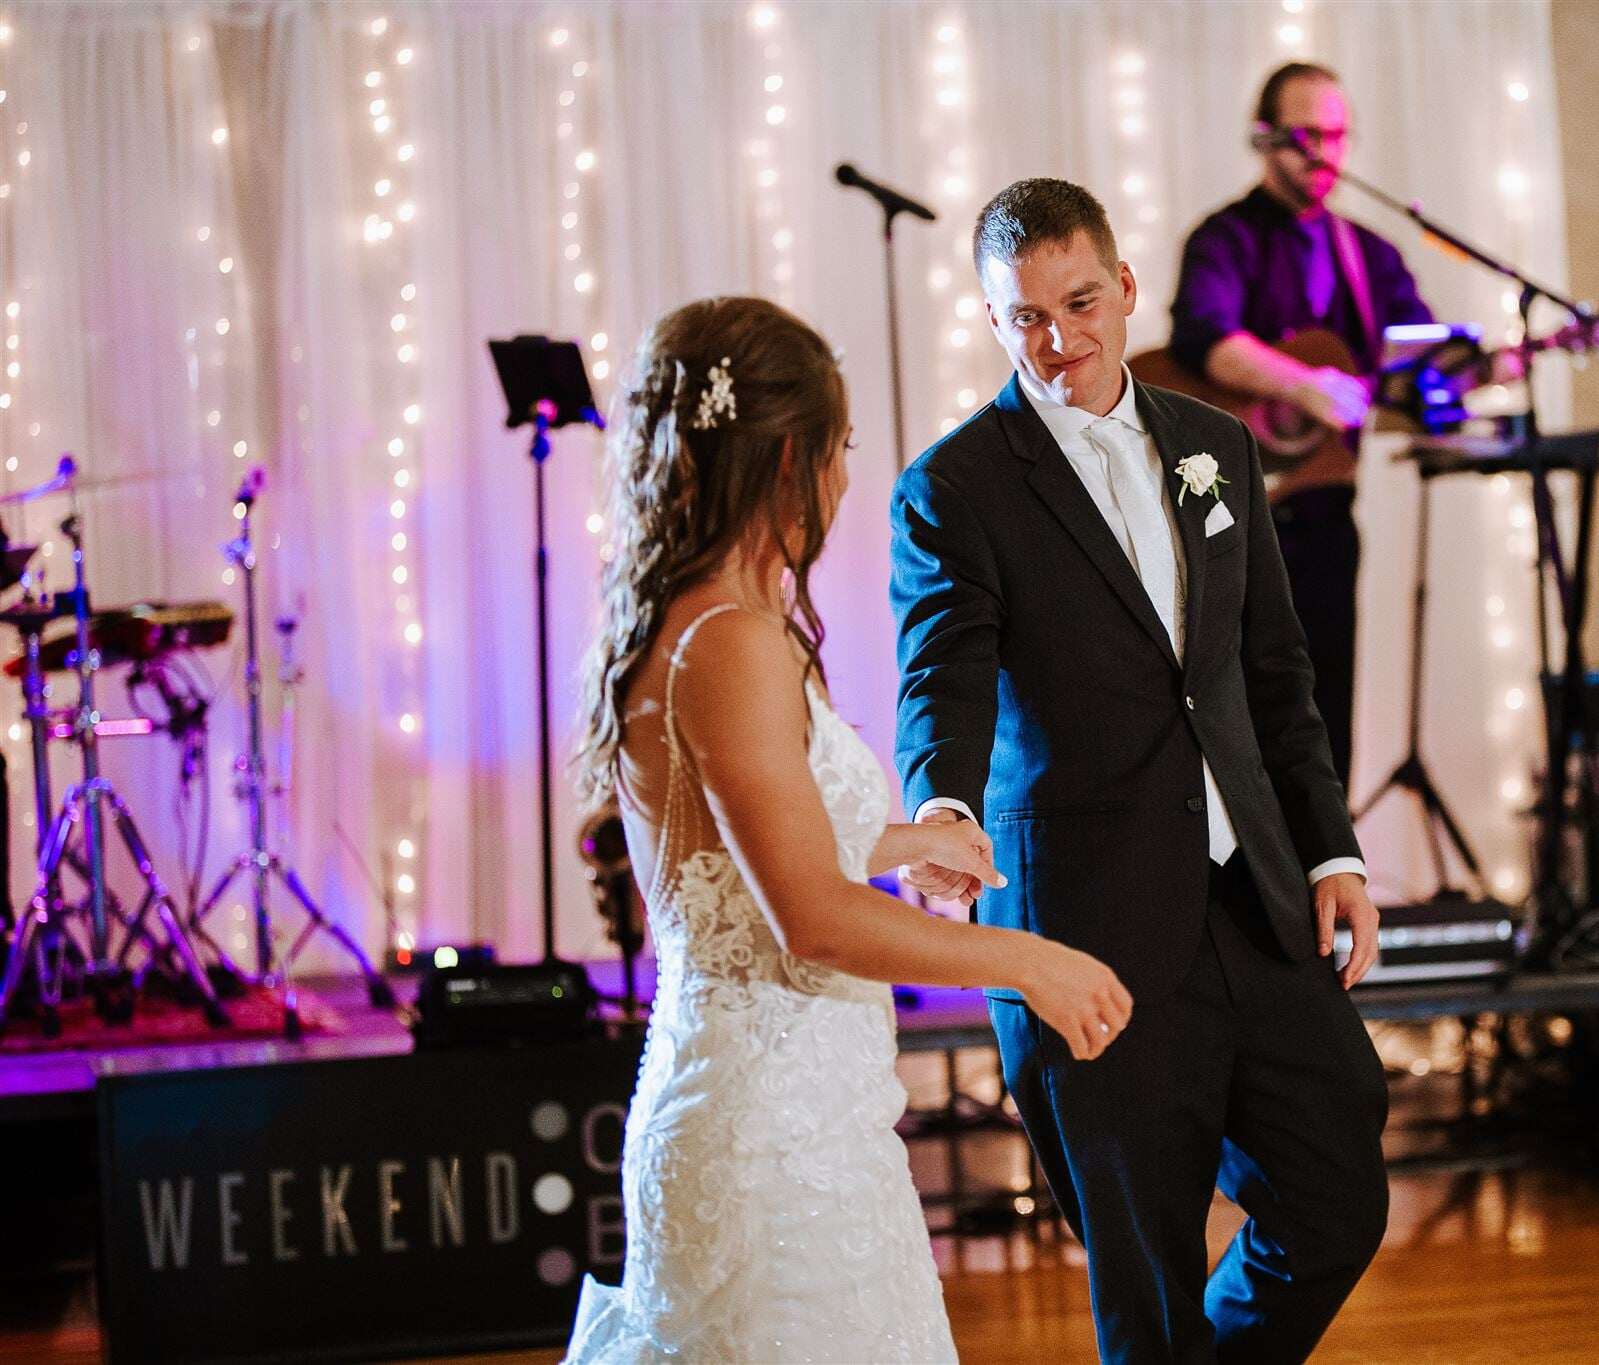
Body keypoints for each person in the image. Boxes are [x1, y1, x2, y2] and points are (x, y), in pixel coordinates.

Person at [564, 296, 1132, 1364]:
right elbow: (810, 922)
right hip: (774, 1148)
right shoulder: (729, 641)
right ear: (788, 457)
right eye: (838, 451)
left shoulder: (690, 618)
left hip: (767, 1116)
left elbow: (729, 861)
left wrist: (904, 845)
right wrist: (1028, 963)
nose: (841, 480)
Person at [893, 179, 1390, 1365]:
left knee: (1333, 1199)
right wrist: (941, 807)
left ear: (1123, 290)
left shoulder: (1216, 446)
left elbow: (1273, 676)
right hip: (1088, 931)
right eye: (1024, 319)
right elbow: (940, 676)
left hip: (1251, 902)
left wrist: (1329, 851)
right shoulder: (954, 487)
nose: (1057, 342)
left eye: (1077, 304)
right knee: (1144, 1279)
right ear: (991, 319)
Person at [1168, 60, 1434, 785]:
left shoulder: (1369, 255)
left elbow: (1420, 363)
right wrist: (1303, 384)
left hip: (1322, 516)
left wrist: (1496, 365)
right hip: (1228, 520)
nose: (1324, 153)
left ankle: (1329, 875)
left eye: (1337, 136)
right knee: (1232, 719)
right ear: (1264, 138)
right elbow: (1204, 337)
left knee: (1319, 712)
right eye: (1305, 135)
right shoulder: (1224, 239)